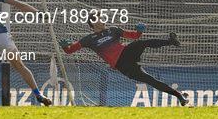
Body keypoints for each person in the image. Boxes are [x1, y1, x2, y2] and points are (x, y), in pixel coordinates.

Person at [59, 12, 189, 106]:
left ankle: (171, 41)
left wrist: (139, 31)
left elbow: (134, 36)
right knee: (150, 80)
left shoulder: (113, 30)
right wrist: (65, 46)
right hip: (123, 66)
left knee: (141, 43)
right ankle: (179, 96)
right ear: (93, 23)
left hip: (126, 53)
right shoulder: (88, 39)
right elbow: (70, 50)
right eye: (100, 18)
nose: (103, 20)